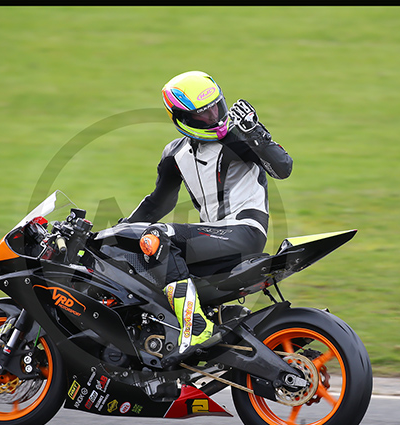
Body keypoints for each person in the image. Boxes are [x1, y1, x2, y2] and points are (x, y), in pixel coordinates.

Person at [123, 71, 293, 366]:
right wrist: (116, 233)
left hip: (244, 232)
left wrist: (257, 133)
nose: (214, 117)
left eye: (217, 106)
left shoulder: (238, 138)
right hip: (212, 239)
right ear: (182, 119)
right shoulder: (174, 155)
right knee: (139, 256)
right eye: (203, 114)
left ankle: (196, 328)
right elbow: (155, 206)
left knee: (158, 236)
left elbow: (283, 168)